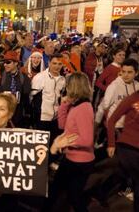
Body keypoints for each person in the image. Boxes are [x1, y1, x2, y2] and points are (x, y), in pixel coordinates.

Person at [50, 72, 95, 212]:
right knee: (56, 191)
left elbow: (87, 140)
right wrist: (64, 105)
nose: (66, 88)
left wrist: (64, 143)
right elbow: (62, 126)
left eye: (68, 86)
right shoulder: (76, 106)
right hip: (71, 158)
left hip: (80, 162)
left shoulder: (84, 108)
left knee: (73, 197)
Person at [106, 90, 139, 212]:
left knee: (121, 174)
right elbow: (111, 120)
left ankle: (99, 192)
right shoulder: (132, 99)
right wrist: (111, 143)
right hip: (127, 147)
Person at [0, 50, 31, 128]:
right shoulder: (1, 77)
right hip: (4, 115)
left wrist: (28, 115)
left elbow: (26, 97)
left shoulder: (24, 78)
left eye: (8, 62)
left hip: (19, 116)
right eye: (4, 62)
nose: (5, 64)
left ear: (16, 63)